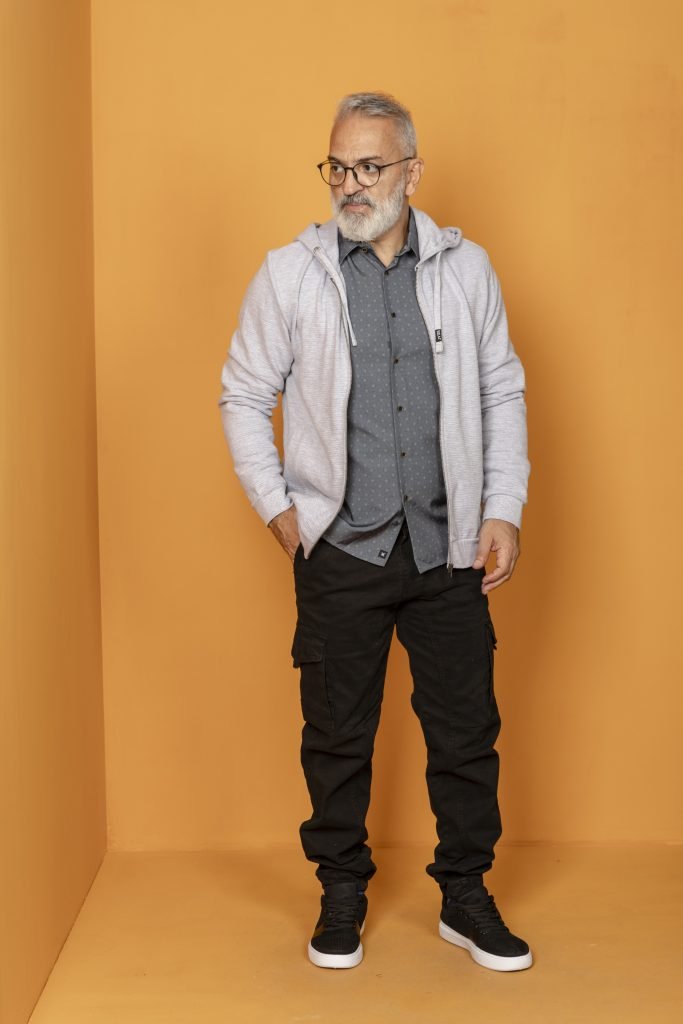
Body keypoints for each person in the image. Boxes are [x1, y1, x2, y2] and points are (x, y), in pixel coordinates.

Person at [218, 91, 532, 973]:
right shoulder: (290, 274)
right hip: (341, 552)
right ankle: (341, 891)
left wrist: (502, 507)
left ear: (411, 172)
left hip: (447, 551)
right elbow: (243, 393)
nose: (350, 184)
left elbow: (500, 388)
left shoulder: (466, 270)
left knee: (465, 735)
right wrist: (277, 505)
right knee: (336, 736)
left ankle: (465, 896)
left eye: (370, 166)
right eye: (338, 166)